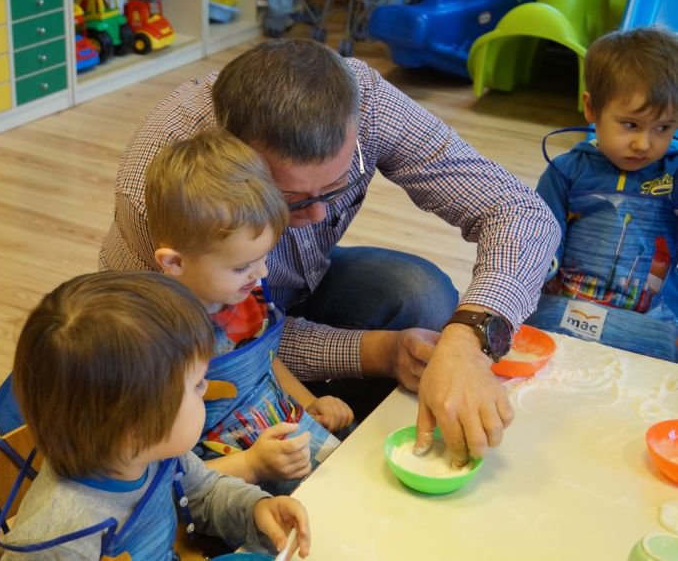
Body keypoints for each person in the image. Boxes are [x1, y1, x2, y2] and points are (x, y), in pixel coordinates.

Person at [100, 39, 560, 466]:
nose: (320, 215)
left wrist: (470, 340)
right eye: (289, 198)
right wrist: (377, 353)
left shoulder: (367, 101)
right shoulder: (161, 196)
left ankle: (333, 427)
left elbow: (518, 211)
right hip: (196, 341)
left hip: (271, 307)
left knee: (422, 297)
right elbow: (224, 343)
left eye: (337, 185)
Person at [0, 272, 310, 559]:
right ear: (136, 428)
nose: (205, 389)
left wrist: (255, 509)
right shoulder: (57, 543)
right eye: (196, 385)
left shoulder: (153, 452)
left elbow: (205, 493)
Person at [145, 129, 353, 494]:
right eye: (242, 266)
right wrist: (251, 465)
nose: (262, 273)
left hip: (279, 427)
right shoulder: (155, 345)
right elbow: (159, 474)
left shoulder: (242, 292)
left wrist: (310, 403)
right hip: (225, 476)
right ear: (175, 262)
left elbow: (264, 362)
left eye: (264, 257)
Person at [526, 27, 678, 361]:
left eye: (663, 128)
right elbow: (541, 237)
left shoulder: (674, 173)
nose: (644, 144)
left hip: (650, 322)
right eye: (630, 125)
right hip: (568, 309)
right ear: (591, 108)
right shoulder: (565, 172)